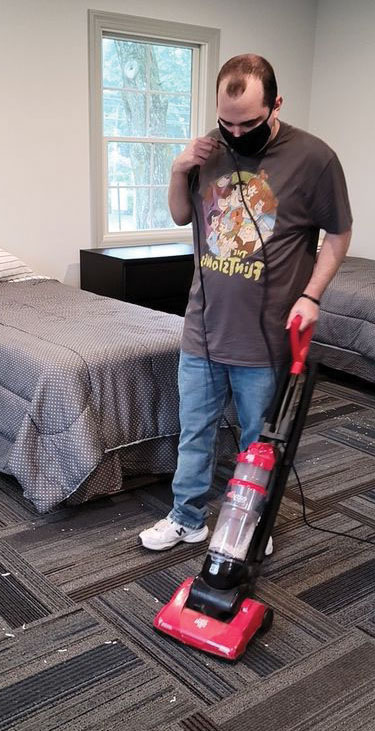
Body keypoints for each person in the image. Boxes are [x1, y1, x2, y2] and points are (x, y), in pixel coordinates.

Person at [139, 54, 352, 552]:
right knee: (194, 432)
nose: (236, 135)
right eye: (226, 122)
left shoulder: (314, 158)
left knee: (259, 441)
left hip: (266, 336)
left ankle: (252, 522)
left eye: (250, 123)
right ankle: (186, 517)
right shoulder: (208, 151)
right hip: (203, 328)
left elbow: (339, 234)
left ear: (276, 104)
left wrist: (311, 295)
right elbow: (178, 216)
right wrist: (178, 167)